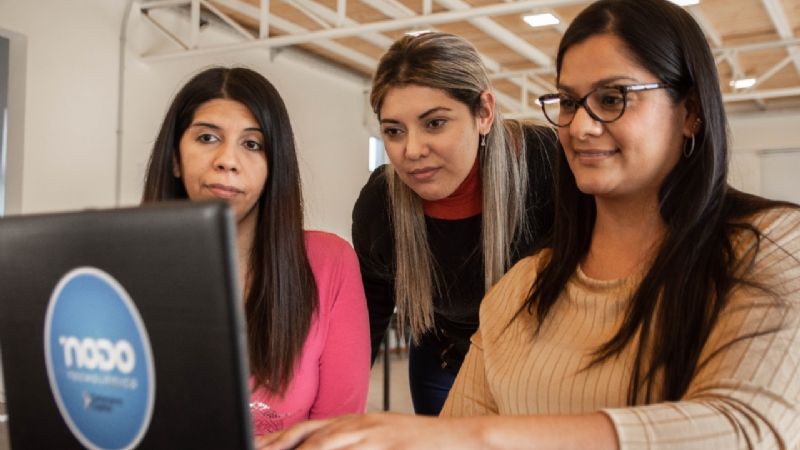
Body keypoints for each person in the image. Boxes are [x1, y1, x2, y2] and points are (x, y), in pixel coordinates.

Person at [258, 0, 800, 448]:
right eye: (567, 101)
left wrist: (475, 437)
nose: (582, 127)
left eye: (613, 99)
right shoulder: (517, 291)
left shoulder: (768, 245)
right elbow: (377, 316)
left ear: (691, 111)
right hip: (447, 341)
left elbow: (750, 427)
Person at [141, 67, 370, 435]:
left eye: (252, 144)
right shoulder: (128, 264)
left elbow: (338, 435)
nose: (227, 160)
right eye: (207, 137)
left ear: (273, 166)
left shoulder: (330, 264)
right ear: (174, 159)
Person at [352, 32, 558, 415]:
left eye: (434, 124)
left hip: (543, 361)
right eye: (394, 131)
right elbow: (366, 322)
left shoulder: (546, 166)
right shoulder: (381, 206)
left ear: (484, 113)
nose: (412, 151)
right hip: (445, 359)